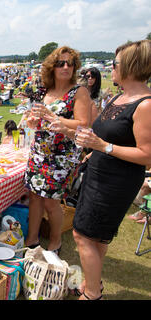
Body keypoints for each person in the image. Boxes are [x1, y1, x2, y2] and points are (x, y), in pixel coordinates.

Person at [63, 40, 151, 300]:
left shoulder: (145, 105)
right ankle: (94, 284)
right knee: (97, 237)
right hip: (97, 173)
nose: (110, 68)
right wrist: (84, 142)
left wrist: (104, 146)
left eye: (115, 63)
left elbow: (147, 155)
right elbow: (105, 135)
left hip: (117, 182)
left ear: (132, 66)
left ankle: (91, 294)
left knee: (82, 234)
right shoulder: (117, 97)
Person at [24, 46, 92, 254]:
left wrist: (53, 117)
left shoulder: (78, 92)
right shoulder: (45, 89)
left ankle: (55, 242)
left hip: (61, 157)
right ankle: (31, 239)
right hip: (38, 153)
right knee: (34, 197)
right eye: (61, 63)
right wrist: (33, 120)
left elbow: (84, 124)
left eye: (70, 64)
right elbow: (34, 119)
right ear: (52, 67)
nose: (66, 67)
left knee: (52, 202)